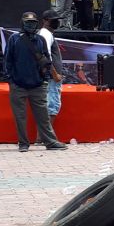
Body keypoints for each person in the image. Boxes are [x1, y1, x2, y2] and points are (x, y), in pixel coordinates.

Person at [3, 11, 67, 152]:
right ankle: (23, 143)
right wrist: (11, 80)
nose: (30, 25)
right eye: (27, 23)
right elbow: (7, 61)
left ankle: (50, 142)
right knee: (20, 117)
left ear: (37, 23)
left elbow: (46, 61)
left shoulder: (40, 40)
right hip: (18, 84)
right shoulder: (14, 39)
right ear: (22, 23)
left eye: (32, 23)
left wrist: (44, 80)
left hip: (37, 85)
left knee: (43, 116)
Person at [38, 10, 65, 138]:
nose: (57, 22)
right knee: (52, 106)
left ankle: (42, 136)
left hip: (49, 76)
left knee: (49, 106)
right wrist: (55, 74)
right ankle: (47, 137)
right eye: (53, 20)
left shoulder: (45, 34)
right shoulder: (45, 34)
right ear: (45, 20)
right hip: (51, 77)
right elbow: (46, 56)